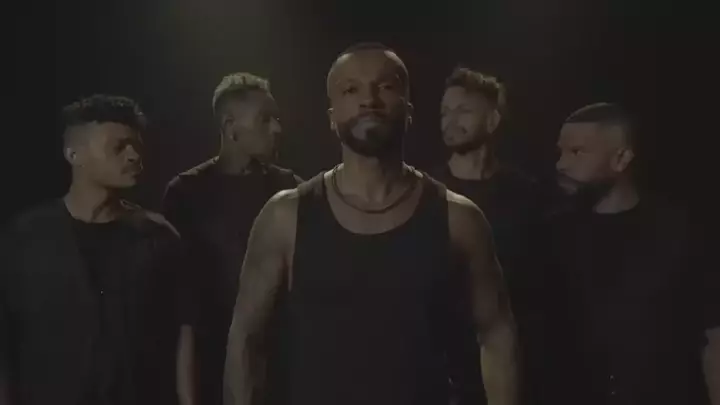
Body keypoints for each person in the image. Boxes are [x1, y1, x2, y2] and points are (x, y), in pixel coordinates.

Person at [224, 43, 519, 405]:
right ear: (331, 116)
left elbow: (496, 335)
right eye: (351, 89)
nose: (369, 100)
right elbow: (246, 340)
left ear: (409, 111)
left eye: (386, 86)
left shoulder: (459, 219)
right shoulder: (285, 217)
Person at [0, 95, 193, 405]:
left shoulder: (159, 237)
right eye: (119, 146)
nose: (133, 155)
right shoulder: (25, 238)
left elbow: (183, 332)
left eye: (136, 145)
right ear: (74, 154)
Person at [539, 102, 719, 405]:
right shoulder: (550, 236)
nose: (561, 164)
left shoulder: (679, 232)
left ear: (621, 158)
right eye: (561, 152)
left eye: (577, 152)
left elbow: (713, 334)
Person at [163, 73, 301, 405]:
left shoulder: (292, 191)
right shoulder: (185, 194)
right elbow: (180, 304)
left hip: (281, 369)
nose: (277, 129)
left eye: (276, 119)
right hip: (211, 368)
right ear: (231, 127)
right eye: (265, 120)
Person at [431, 68, 543, 402]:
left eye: (463, 110)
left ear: (493, 120)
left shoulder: (526, 195)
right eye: (444, 112)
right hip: (441, 370)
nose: (450, 121)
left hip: (508, 366)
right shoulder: (425, 193)